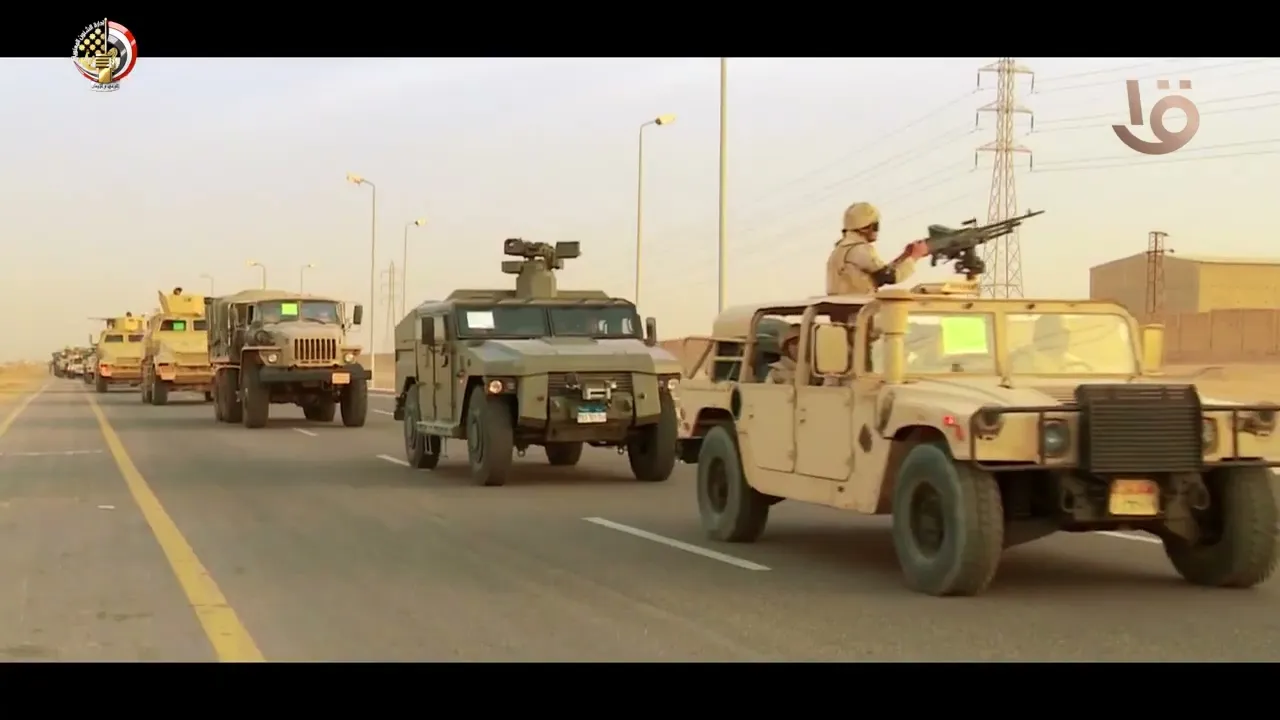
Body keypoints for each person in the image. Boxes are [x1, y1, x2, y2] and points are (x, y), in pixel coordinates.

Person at [826, 202, 929, 296]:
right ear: (864, 228)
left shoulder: (842, 250)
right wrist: (916, 256)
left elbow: (880, 275)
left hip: (845, 306)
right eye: (875, 226)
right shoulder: (859, 249)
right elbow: (890, 277)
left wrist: (905, 256)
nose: (877, 231)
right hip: (858, 307)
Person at [1011, 315, 1083, 373]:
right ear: (1044, 335)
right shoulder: (1024, 363)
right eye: (1061, 332)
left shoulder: (1077, 365)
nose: (1066, 337)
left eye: (1067, 333)